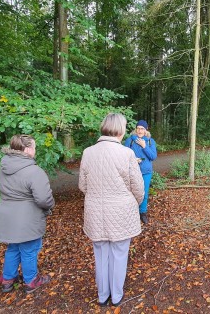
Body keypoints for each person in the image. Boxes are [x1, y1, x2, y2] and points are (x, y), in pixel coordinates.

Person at [79, 113, 144, 307]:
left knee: (100, 254)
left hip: (95, 211)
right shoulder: (127, 153)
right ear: (121, 130)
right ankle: (116, 295)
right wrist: (132, 202)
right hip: (121, 212)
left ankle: (102, 295)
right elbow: (138, 188)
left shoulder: (88, 152)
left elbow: (83, 185)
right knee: (119, 253)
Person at [0, 134, 55, 294]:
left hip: (7, 215)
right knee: (29, 249)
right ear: (27, 149)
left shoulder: (3, 166)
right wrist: (49, 207)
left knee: (13, 247)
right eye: (34, 147)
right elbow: (44, 199)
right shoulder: (33, 171)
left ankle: (8, 279)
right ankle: (31, 280)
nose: (35, 150)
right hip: (27, 218)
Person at [124, 119, 157, 224]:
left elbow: (153, 157)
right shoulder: (130, 140)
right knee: (131, 192)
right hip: (132, 171)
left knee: (144, 193)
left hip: (146, 171)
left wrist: (144, 146)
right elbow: (123, 156)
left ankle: (142, 213)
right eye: (138, 128)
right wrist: (134, 160)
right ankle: (132, 212)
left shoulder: (150, 141)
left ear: (146, 129)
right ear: (136, 129)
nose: (139, 130)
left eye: (142, 128)